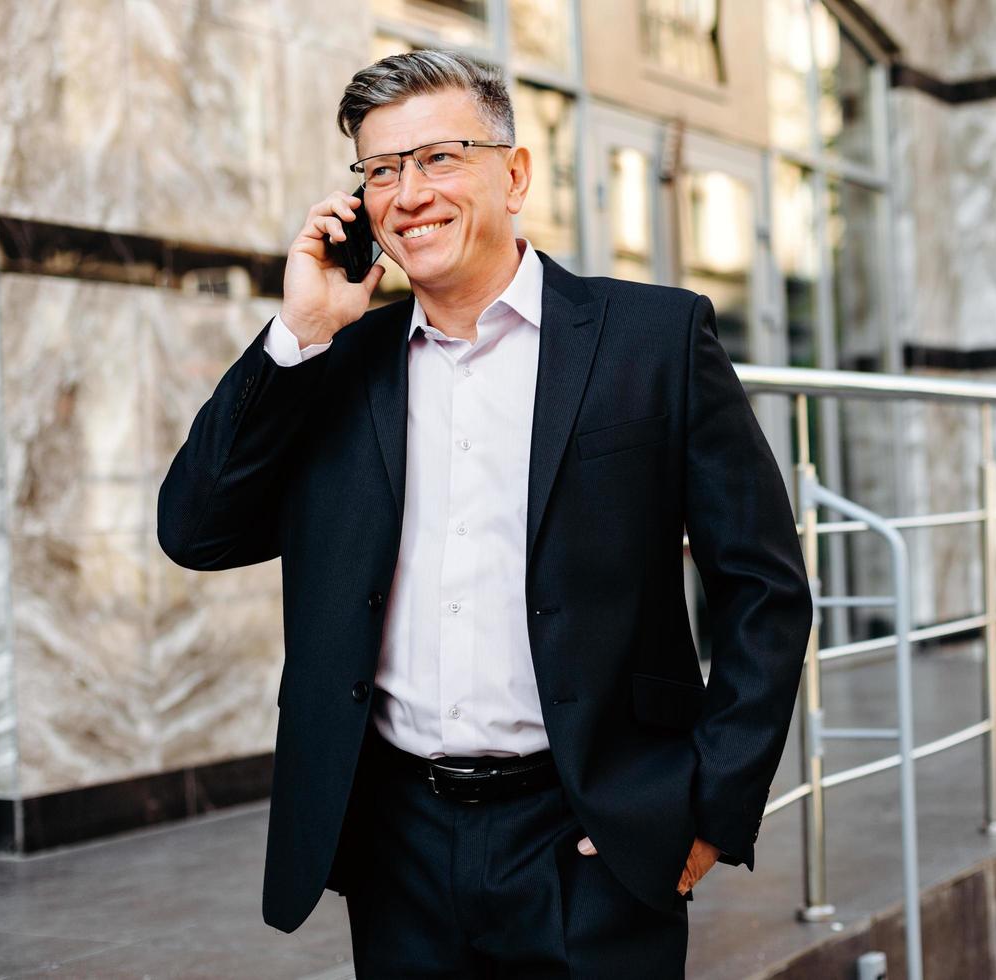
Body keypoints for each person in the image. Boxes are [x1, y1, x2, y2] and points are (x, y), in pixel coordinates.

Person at [157, 49, 811, 977]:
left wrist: (708, 804)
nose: (408, 192)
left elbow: (764, 590)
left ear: (515, 175)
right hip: (396, 839)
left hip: (591, 832)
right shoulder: (335, 365)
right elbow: (196, 529)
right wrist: (300, 331)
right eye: (381, 170)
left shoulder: (653, 341)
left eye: (439, 158)